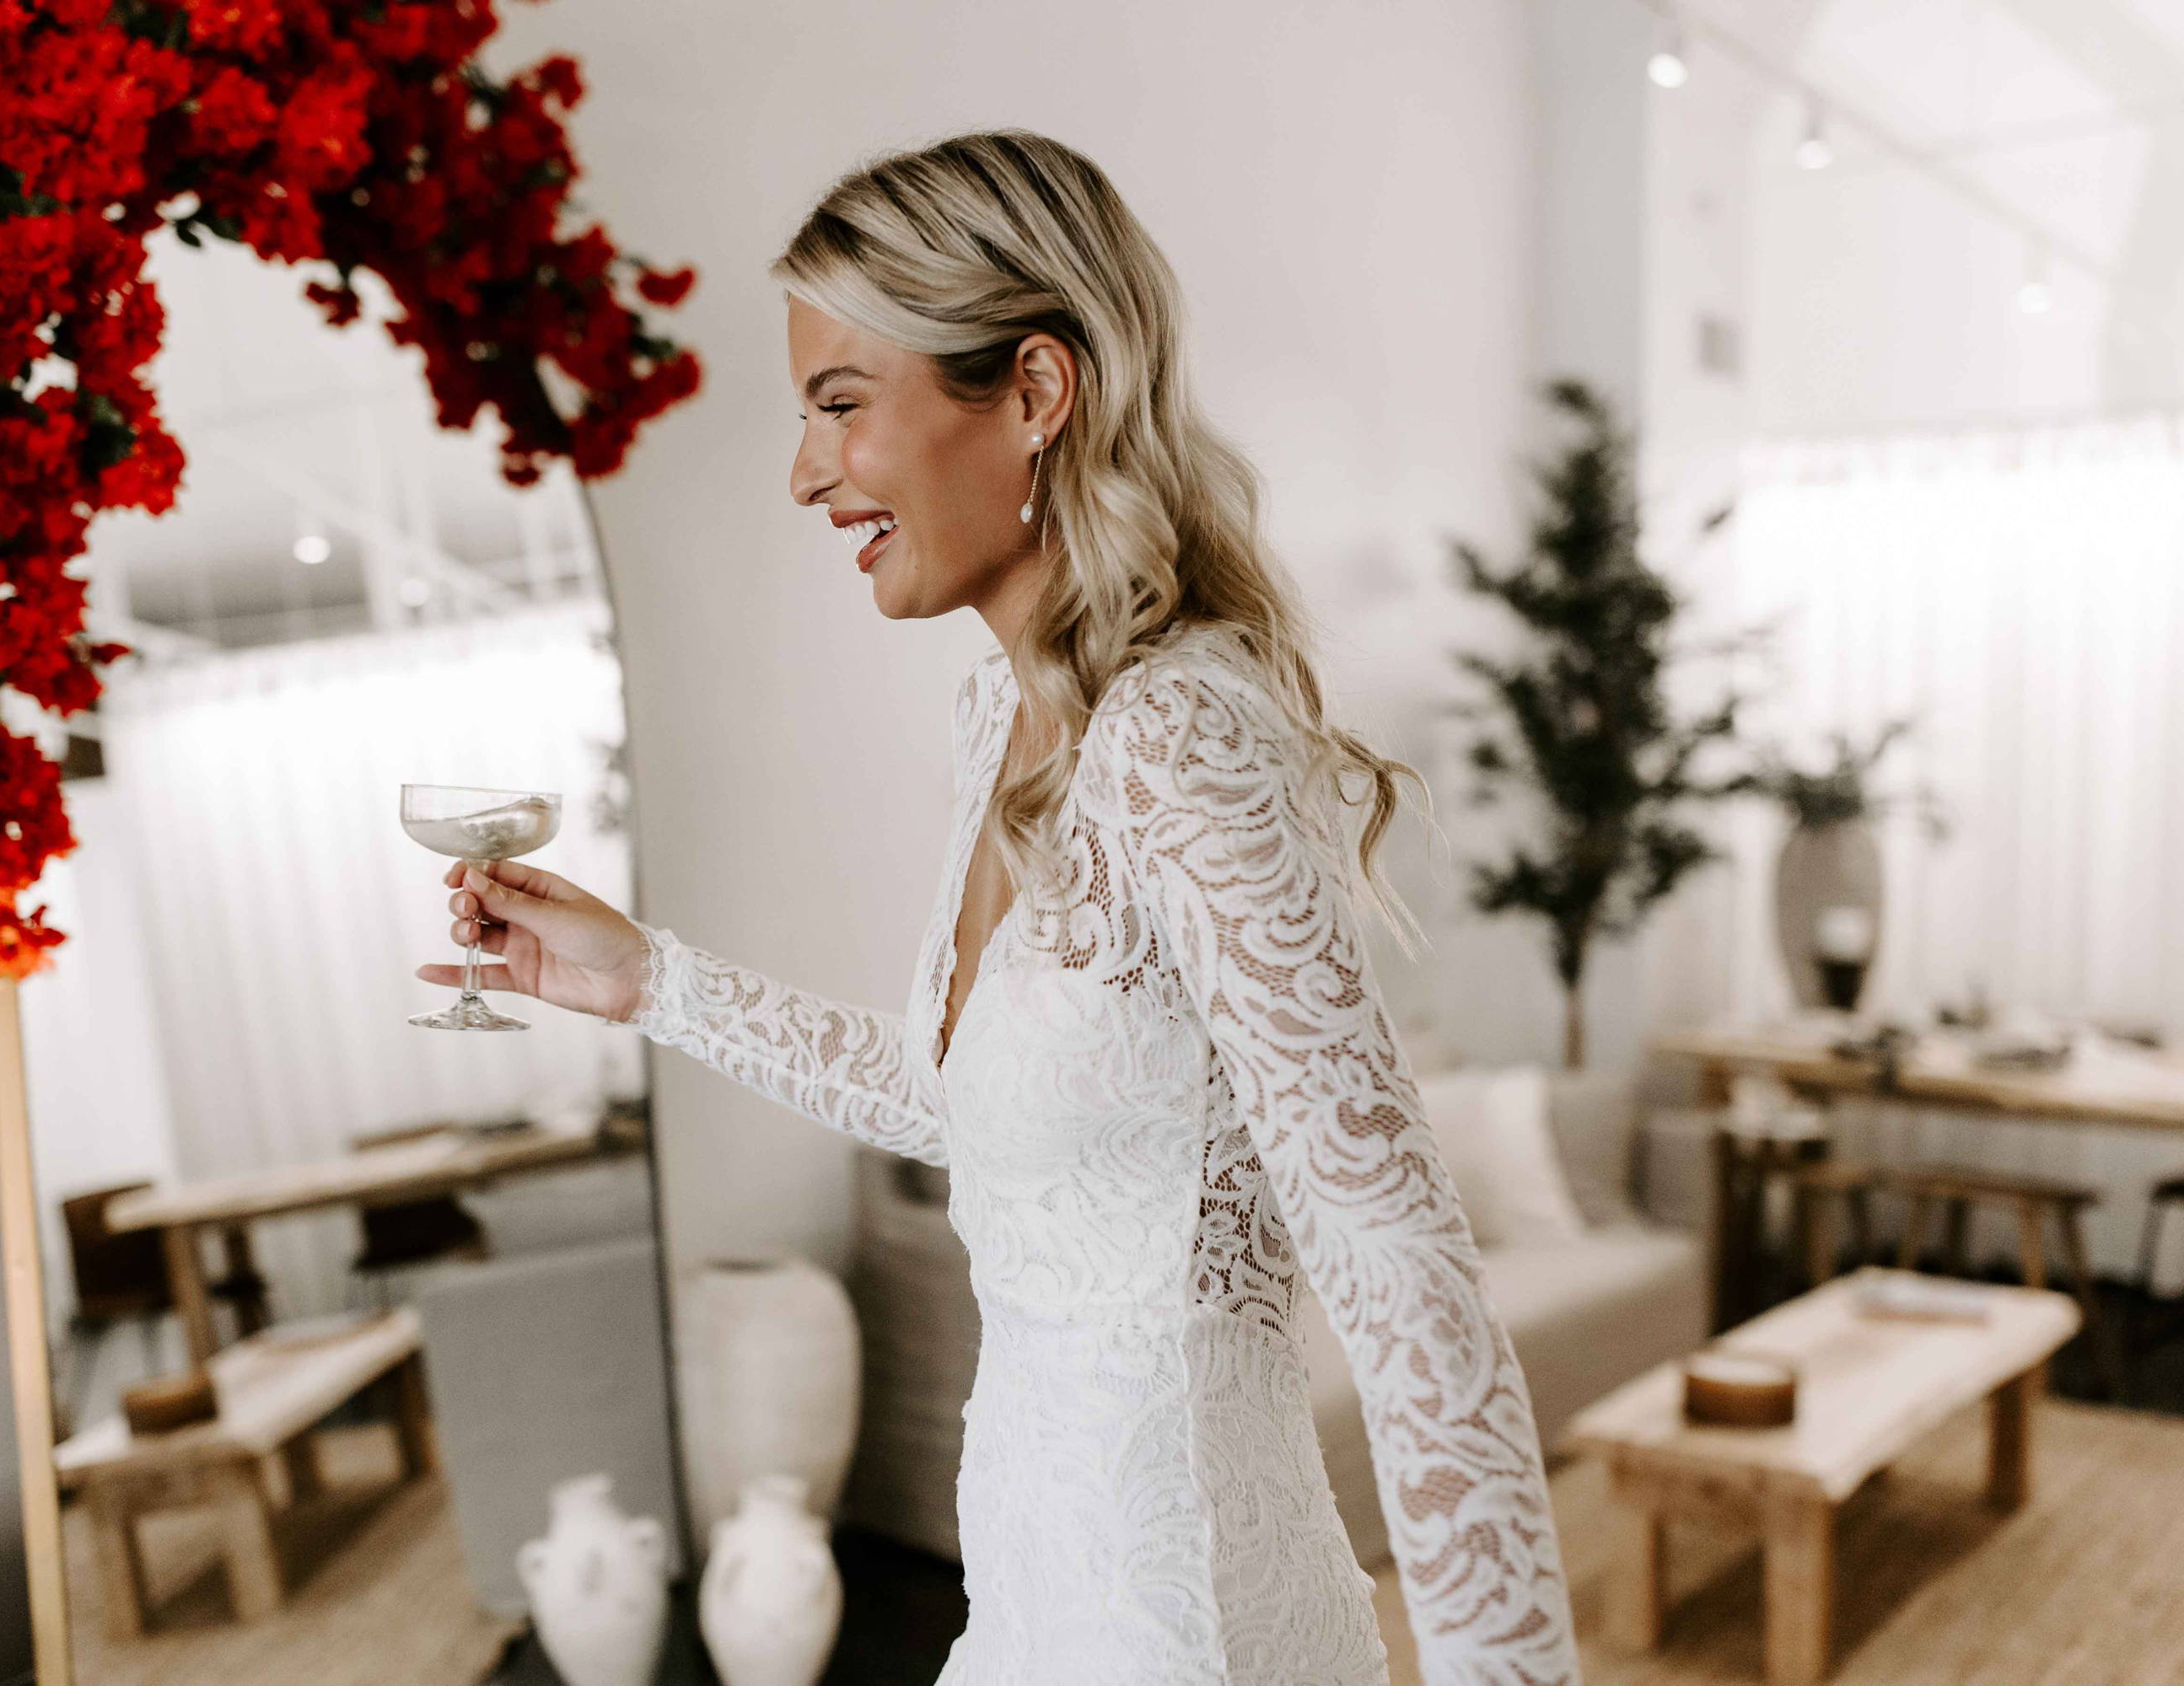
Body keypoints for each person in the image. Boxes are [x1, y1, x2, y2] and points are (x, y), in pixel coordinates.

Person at [420, 130, 1577, 1685]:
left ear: (1034, 392)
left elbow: (1405, 1272)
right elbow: (988, 1109)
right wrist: (648, 984)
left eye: (841, 404)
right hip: (1035, 1602)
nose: (806, 469)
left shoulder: (1181, 735)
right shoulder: (1008, 724)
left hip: (1196, 1631)